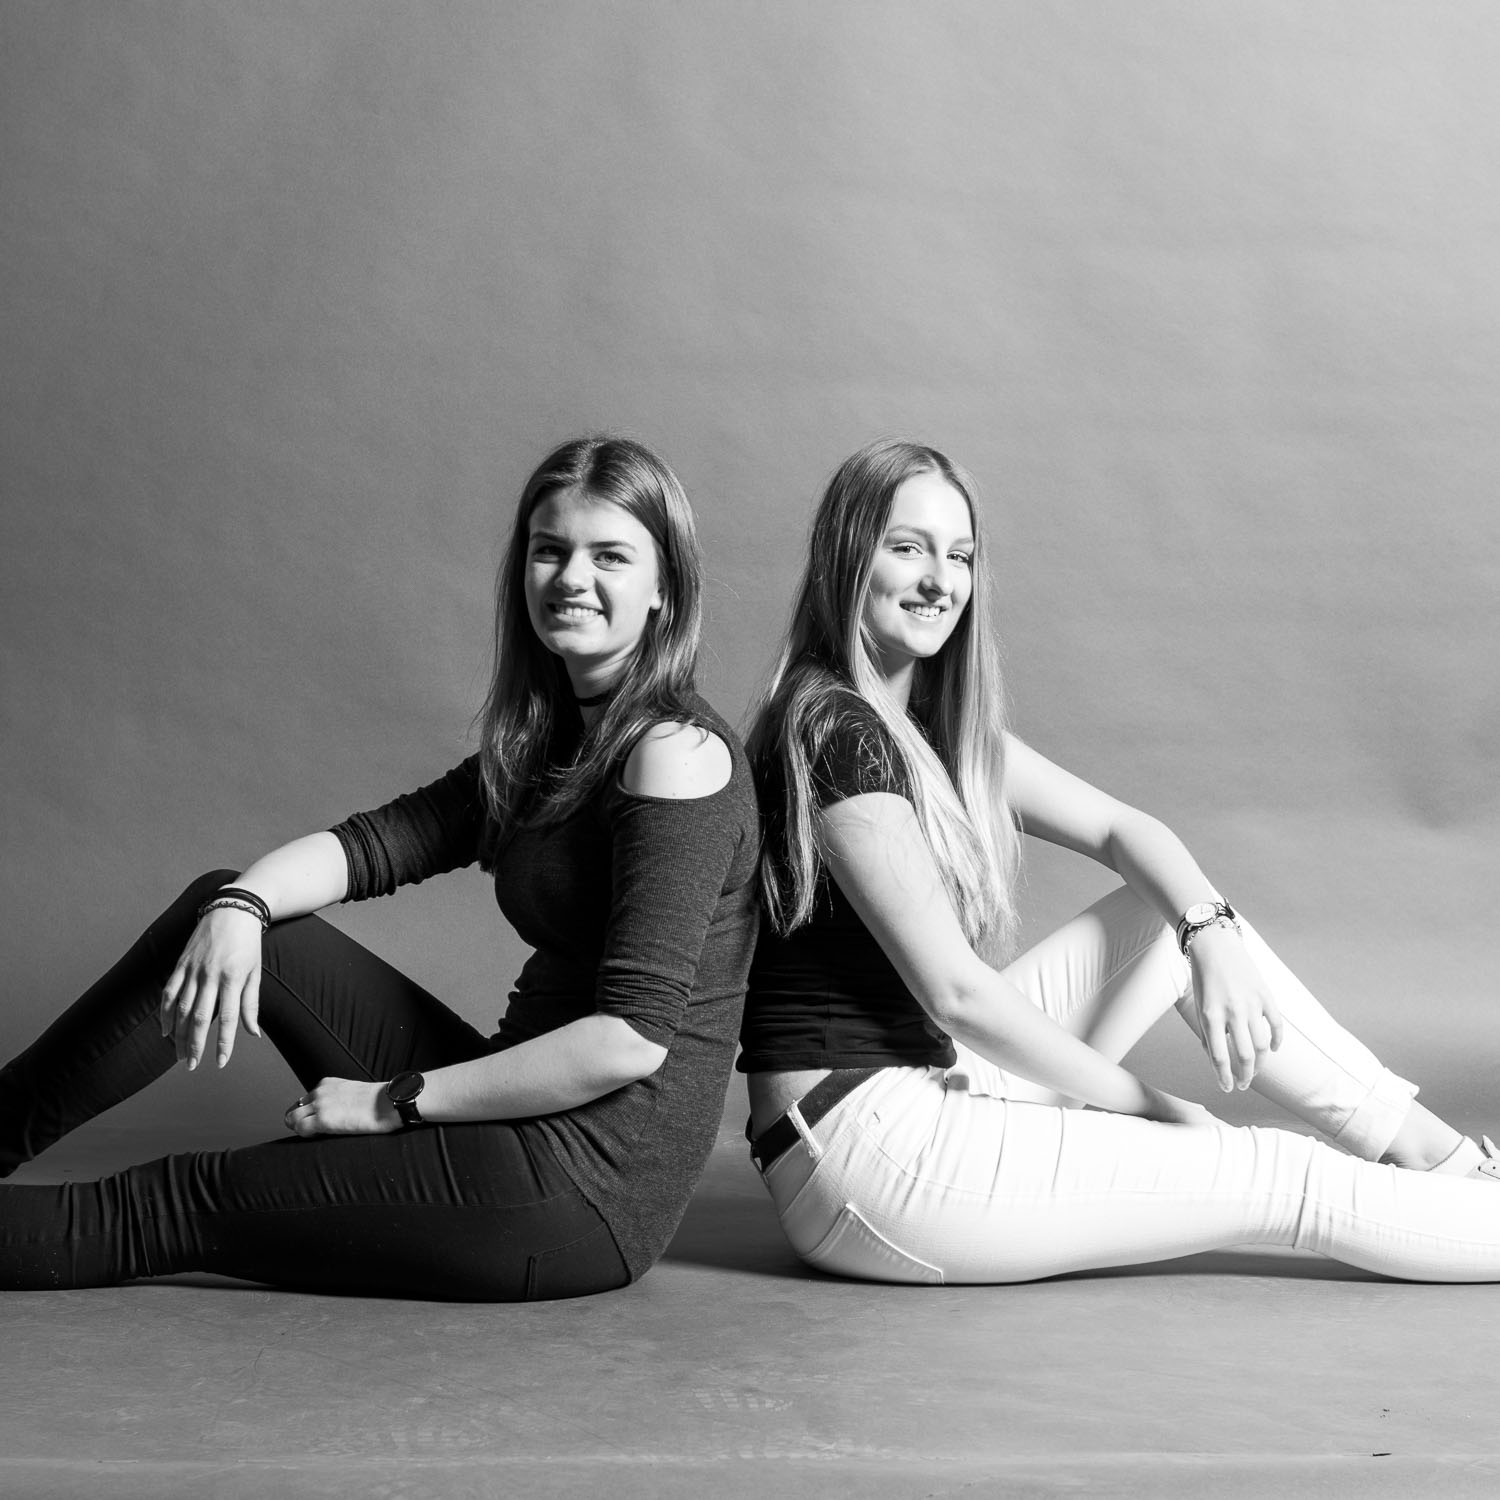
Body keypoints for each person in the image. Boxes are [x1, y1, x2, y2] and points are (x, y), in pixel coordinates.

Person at [0, 436, 760, 1301]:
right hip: (511, 1112)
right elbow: (374, 847)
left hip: (575, 1193)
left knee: (175, 1201)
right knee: (226, 905)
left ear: (665, 589)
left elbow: (629, 1040)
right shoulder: (552, 743)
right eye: (550, 550)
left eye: (610, 556)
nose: (572, 578)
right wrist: (243, 906)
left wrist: (391, 1100)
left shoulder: (673, 756)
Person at [740, 437, 1500, 1286]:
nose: (939, 581)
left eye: (960, 556)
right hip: (866, 1153)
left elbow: (1121, 829)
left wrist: (1211, 933)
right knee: (1283, 1174)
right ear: (849, 558)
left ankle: (1432, 1153)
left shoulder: (924, 731)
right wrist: (1150, 1106)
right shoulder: (833, 729)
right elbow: (956, 993)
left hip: (922, 1089)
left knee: (1164, 921)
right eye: (908, 548)